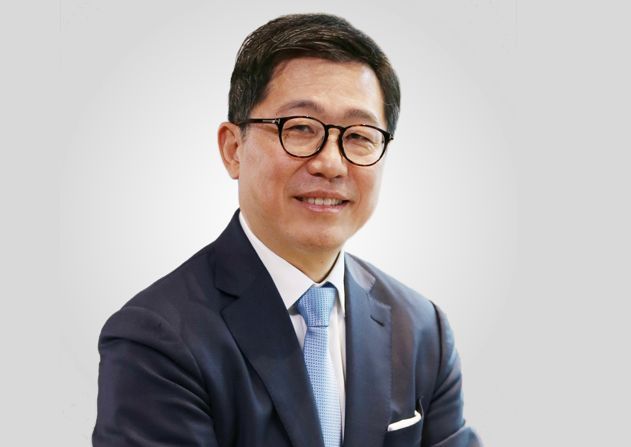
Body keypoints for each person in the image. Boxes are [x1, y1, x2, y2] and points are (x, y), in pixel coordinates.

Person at [92, 13, 481, 447]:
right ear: (233, 149)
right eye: (299, 128)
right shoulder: (156, 338)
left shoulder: (423, 330)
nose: (330, 164)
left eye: (359, 136)